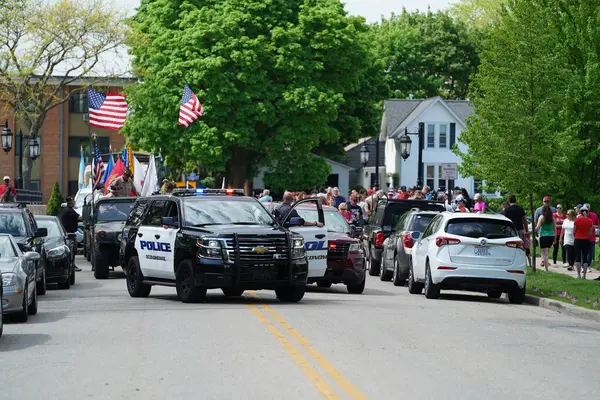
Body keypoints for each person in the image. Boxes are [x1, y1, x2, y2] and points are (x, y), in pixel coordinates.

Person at [502, 194, 530, 259]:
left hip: (510, 230)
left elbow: (504, 220)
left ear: (509, 201)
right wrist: (526, 231)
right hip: (519, 229)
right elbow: (525, 220)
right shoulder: (520, 209)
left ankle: (510, 257)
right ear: (515, 200)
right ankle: (519, 257)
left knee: (510, 245)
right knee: (519, 245)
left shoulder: (506, 210)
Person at [59, 197, 82, 272]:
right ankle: (72, 266)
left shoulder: (67, 210)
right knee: (72, 251)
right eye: (73, 201)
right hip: (69, 235)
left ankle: (72, 265)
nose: (75, 202)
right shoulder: (69, 211)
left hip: (66, 234)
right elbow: (79, 217)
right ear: (71, 202)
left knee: (72, 251)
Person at [573, 206, 594, 279]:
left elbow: (574, 231)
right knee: (585, 257)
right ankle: (584, 276)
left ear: (580, 212)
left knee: (578, 258)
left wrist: (577, 235)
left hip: (578, 239)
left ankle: (578, 275)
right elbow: (590, 233)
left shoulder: (577, 220)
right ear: (587, 212)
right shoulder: (590, 221)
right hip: (586, 240)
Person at [536, 205, 555, 272]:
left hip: (543, 235)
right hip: (551, 236)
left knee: (544, 253)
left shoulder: (541, 217)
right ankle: (546, 266)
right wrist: (555, 238)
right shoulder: (552, 218)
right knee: (547, 251)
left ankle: (546, 268)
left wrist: (531, 232)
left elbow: (537, 227)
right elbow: (554, 228)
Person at [583, 203, 598, 274]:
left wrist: (592, 226)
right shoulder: (580, 216)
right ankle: (583, 267)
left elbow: (598, 225)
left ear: (589, 209)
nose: (585, 210)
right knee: (583, 253)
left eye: (587, 208)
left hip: (591, 237)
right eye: (584, 209)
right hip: (583, 237)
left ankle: (589, 266)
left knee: (590, 253)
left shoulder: (594, 215)